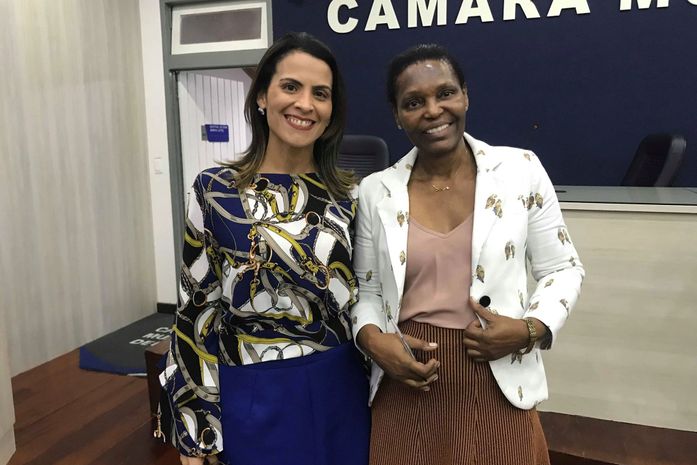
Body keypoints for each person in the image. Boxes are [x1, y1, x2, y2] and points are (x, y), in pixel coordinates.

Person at [351, 44, 585, 465]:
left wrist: (530, 329)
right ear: (397, 115)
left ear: (465, 96)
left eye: (445, 93)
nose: (433, 110)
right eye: (414, 102)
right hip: (407, 375)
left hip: (499, 371)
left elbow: (562, 268)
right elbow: (366, 291)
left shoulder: (520, 170)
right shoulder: (375, 191)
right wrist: (372, 342)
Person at [157, 32, 369, 465]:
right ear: (261, 97)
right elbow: (196, 308)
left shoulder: (350, 195)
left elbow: (366, 298)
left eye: (320, 94)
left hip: (341, 388)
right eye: (291, 87)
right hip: (253, 391)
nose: (305, 104)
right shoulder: (214, 191)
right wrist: (196, 426)